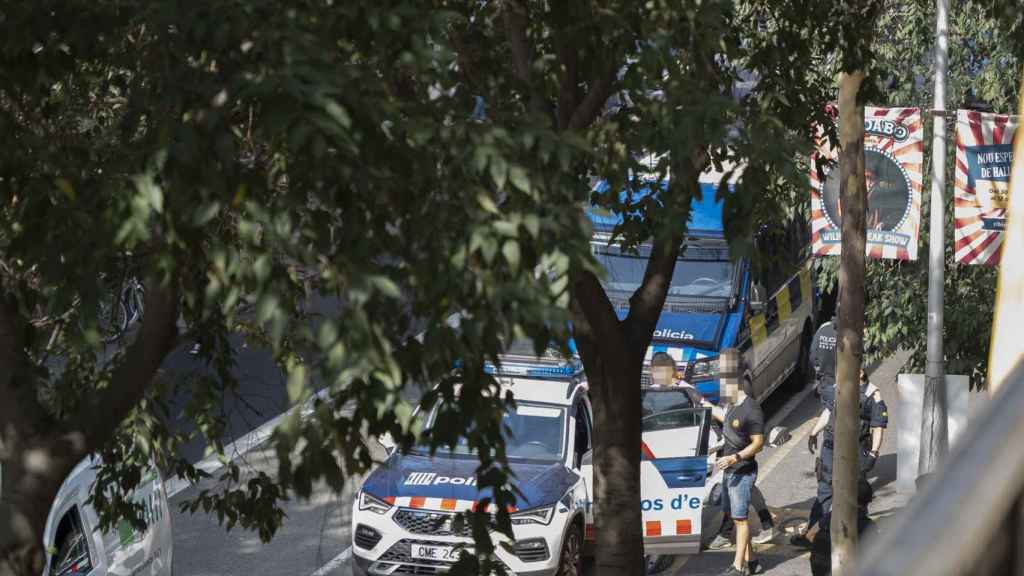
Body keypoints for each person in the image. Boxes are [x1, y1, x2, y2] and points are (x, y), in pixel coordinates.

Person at [710, 348, 765, 576]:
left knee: (740, 521)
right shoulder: (732, 404)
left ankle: (738, 567)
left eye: (722, 374)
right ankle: (752, 562)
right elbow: (727, 421)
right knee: (736, 517)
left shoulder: (751, 409)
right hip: (730, 471)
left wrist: (736, 456)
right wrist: (701, 402)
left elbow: (758, 442)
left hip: (742, 471)